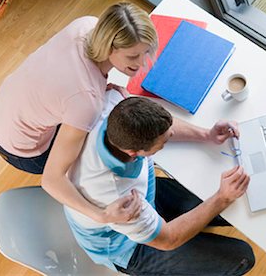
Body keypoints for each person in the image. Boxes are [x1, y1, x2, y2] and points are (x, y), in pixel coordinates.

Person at [0, 3, 157, 224]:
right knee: (98, 146)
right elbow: (51, 179)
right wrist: (102, 215)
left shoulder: (87, 25)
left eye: (146, 52)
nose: (143, 63)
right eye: (133, 57)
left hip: (3, 111)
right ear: (109, 47)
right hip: (23, 150)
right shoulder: (86, 101)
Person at [64, 91, 255, 275]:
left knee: (230, 212)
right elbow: (168, 239)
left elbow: (162, 127)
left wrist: (207, 135)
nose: (169, 137)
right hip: (128, 245)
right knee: (242, 256)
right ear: (135, 152)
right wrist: (221, 198)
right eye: (163, 142)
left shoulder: (113, 104)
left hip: (147, 196)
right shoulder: (119, 200)